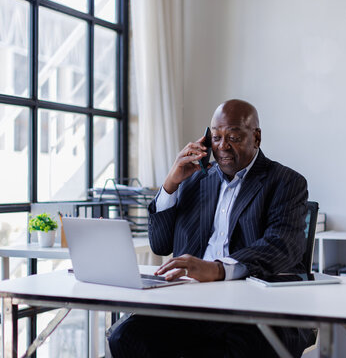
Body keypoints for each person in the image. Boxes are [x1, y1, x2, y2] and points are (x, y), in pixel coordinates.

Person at [108, 99, 314, 357]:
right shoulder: (194, 180)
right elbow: (160, 244)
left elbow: (282, 247)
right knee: (125, 337)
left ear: (256, 137)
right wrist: (171, 184)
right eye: (216, 137)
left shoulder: (285, 182)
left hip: (253, 310)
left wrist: (218, 269)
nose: (223, 146)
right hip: (193, 304)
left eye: (234, 137)